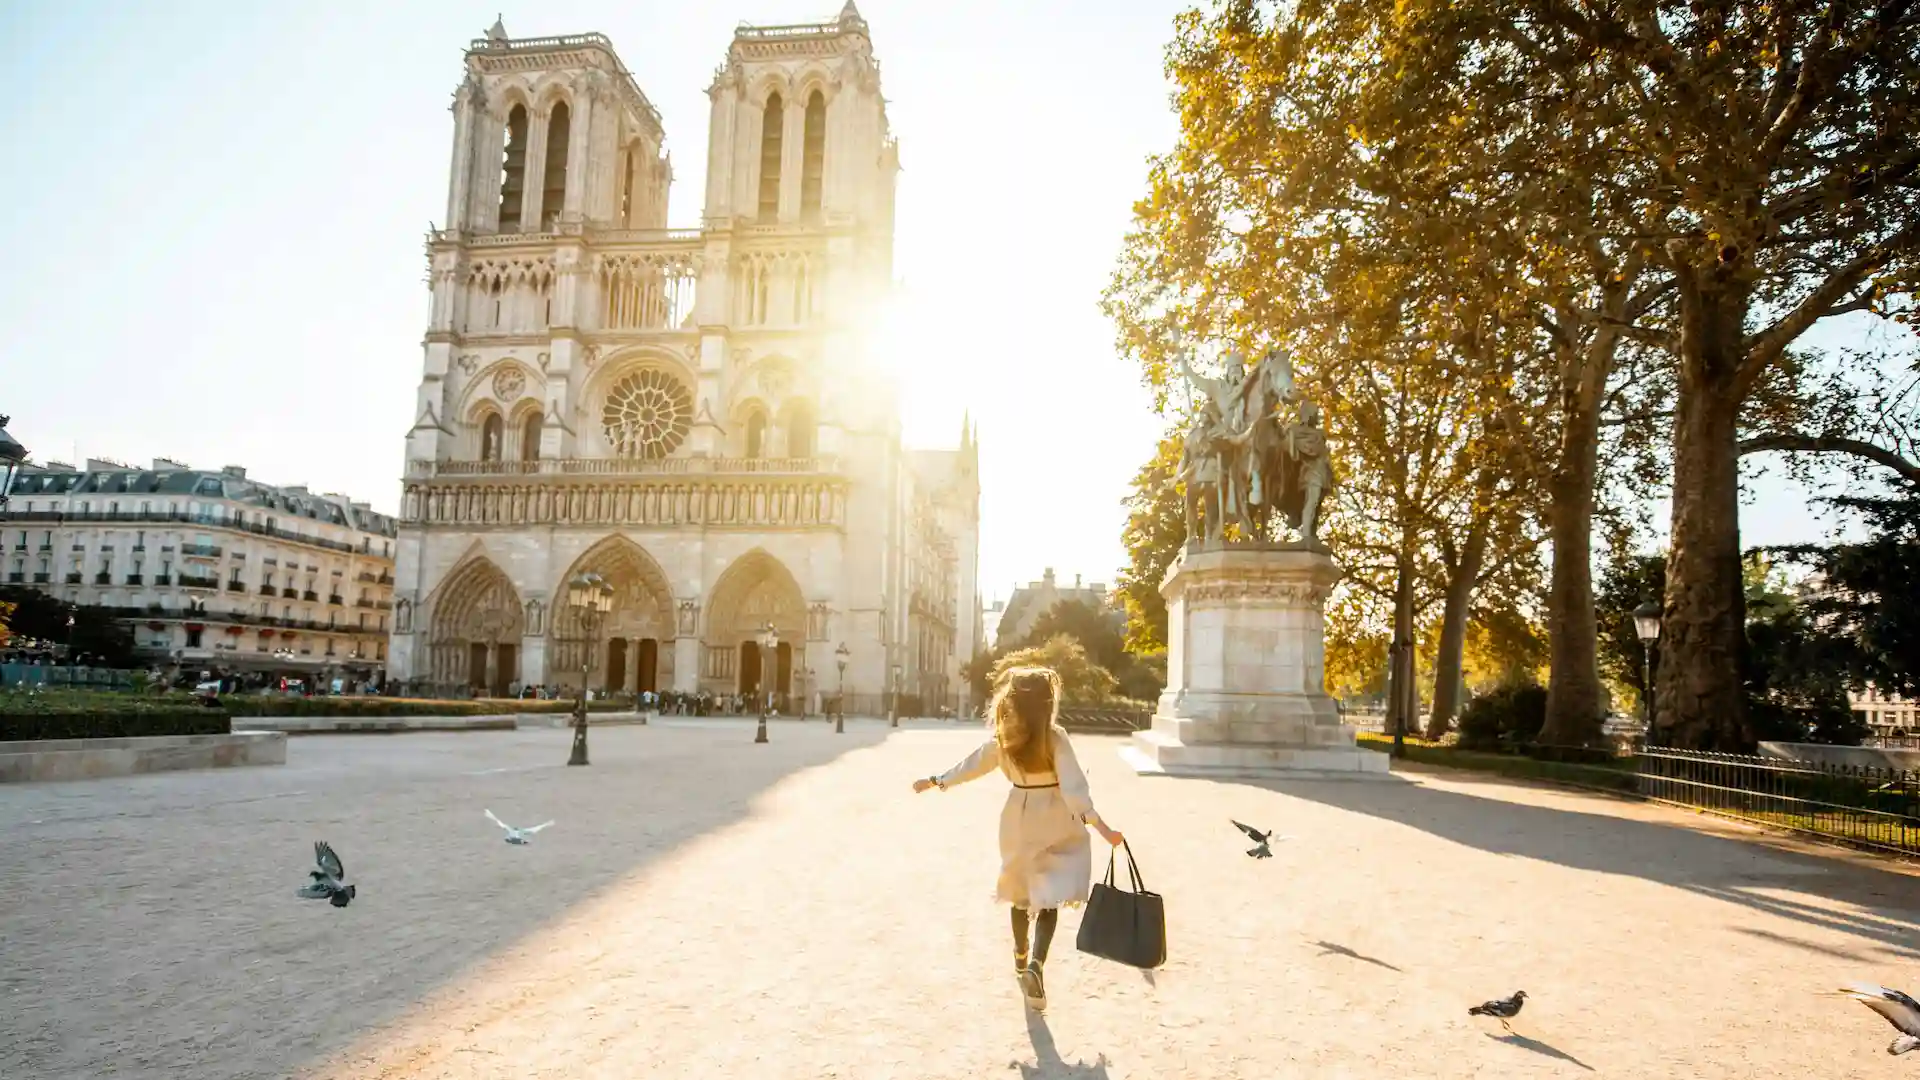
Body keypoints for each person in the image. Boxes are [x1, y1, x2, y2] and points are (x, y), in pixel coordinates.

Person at [912, 666, 1124, 1013]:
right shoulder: (1054, 737)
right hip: (1056, 818)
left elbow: (972, 765)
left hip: (1019, 818)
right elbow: (1074, 791)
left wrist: (936, 780)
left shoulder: (1005, 737)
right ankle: (1038, 965)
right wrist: (1104, 830)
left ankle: (1020, 957)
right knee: (1050, 898)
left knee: (1020, 894)